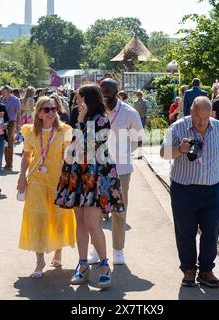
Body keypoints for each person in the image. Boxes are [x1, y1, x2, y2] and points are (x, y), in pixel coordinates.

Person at [54, 84, 125, 289]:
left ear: (89, 99)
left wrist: (82, 122)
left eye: (80, 98)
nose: (77, 102)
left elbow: (90, 146)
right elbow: (73, 146)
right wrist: (79, 122)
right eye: (77, 99)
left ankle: (104, 266)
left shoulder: (102, 120)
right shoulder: (79, 119)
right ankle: (83, 264)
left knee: (93, 222)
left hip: (96, 176)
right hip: (77, 174)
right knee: (81, 222)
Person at [160, 96, 219, 288]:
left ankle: (206, 270)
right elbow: (163, 153)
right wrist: (179, 149)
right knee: (185, 232)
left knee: (211, 231)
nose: (202, 123)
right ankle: (189, 269)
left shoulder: (218, 127)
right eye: (198, 118)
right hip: (184, 189)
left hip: (212, 188)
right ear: (191, 112)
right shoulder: (177, 127)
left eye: (206, 119)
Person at [86, 79, 144, 266]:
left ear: (117, 91)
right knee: (96, 211)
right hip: (96, 169)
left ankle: (118, 250)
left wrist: (124, 153)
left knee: (119, 210)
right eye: (102, 91)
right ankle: (96, 249)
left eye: (109, 91)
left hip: (121, 169)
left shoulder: (129, 113)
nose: (106, 94)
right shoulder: (93, 112)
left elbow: (139, 139)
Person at [17, 96, 76, 279]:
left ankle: (58, 253)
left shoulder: (64, 130)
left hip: (58, 180)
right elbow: (27, 156)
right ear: (39, 113)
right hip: (36, 180)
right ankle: (40, 261)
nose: (52, 112)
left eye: (54, 109)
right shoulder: (31, 132)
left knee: (58, 217)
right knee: (37, 218)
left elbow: (69, 157)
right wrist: (21, 175)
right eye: (47, 110)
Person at [1, 85, 21, 171]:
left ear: (9, 92)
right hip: (3, 122)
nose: (2, 93)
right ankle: (7, 163)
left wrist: (19, 125)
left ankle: (10, 164)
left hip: (12, 122)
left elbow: (19, 113)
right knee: (5, 143)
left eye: (4, 92)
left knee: (10, 143)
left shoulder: (16, 100)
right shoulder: (2, 99)